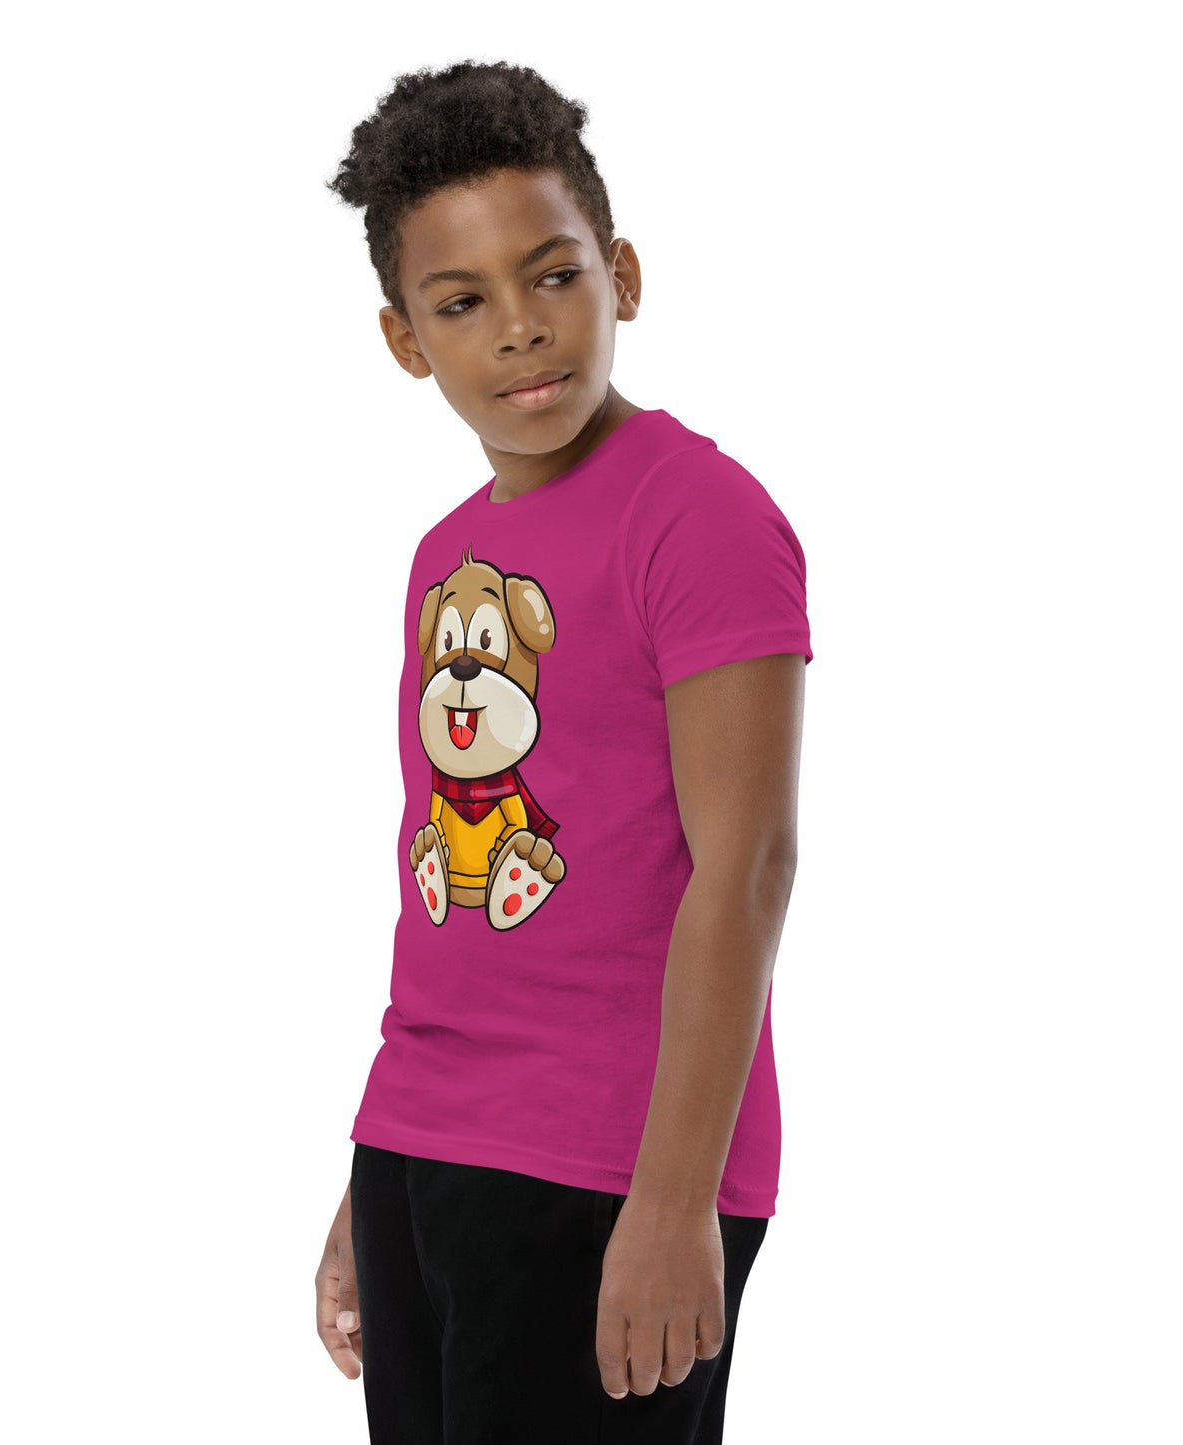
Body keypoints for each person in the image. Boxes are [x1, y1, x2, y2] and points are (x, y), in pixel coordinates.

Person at [315, 58, 812, 1445]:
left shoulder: (696, 514)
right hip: (425, 1144)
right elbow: (443, 894)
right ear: (406, 339)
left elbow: (748, 865)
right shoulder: (445, 558)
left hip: (608, 1163)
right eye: (462, 302)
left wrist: (673, 1201)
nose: (522, 329)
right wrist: (375, 1173)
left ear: (621, 276)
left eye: (552, 276)